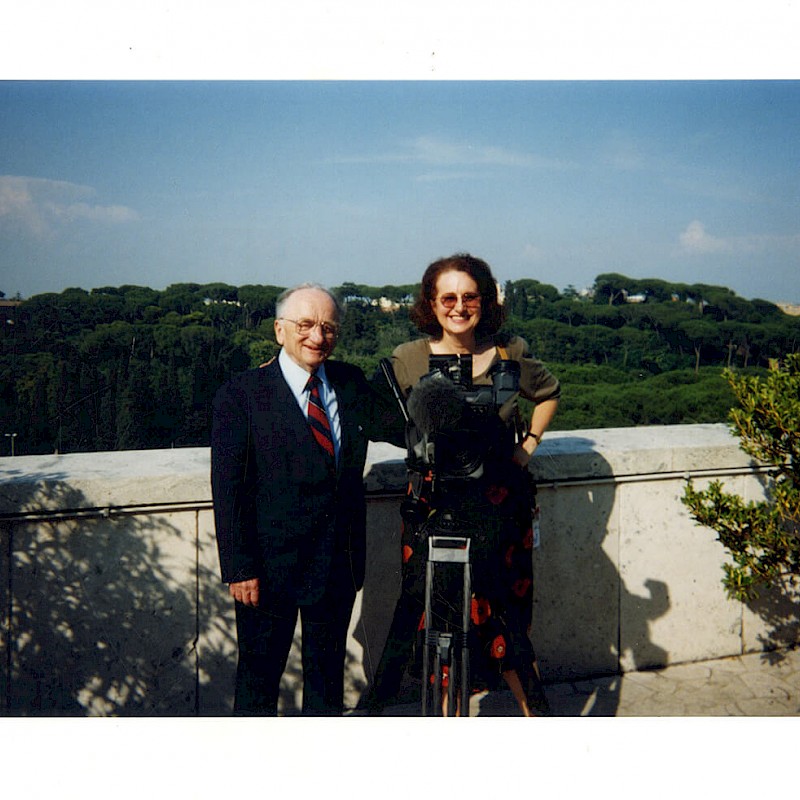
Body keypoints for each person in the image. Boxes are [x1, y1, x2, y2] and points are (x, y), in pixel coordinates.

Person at [365, 253, 560, 716]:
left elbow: (549, 392)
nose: (458, 306)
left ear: (484, 301)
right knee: (436, 617)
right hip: (434, 506)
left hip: (498, 507)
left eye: (469, 296)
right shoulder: (409, 359)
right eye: (447, 297)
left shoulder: (510, 351)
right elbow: (382, 418)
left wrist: (527, 444)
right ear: (430, 304)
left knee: (505, 618)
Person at [211, 283, 403, 716]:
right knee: (258, 684)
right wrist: (240, 569)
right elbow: (229, 491)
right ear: (280, 330)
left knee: (326, 685)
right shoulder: (241, 395)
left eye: (328, 327)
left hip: (337, 564)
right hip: (266, 573)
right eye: (305, 324)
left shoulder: (350, 383)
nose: (317, 336)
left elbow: (405, 428)